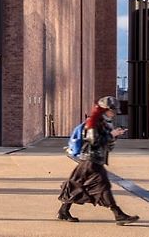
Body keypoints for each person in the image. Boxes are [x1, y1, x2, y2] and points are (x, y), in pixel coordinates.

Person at [57, 96, 140, 224]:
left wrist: (114, 135)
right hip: (90, 160)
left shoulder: (104, 123)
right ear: (104, 110)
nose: (114, 114)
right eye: (112, 111)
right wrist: (111, 134)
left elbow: (107, 144)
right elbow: (94, 141)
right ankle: (118, 214)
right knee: (102, 186)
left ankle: (63, 211)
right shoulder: (93, 123)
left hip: (92, 160)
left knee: (77, 184)